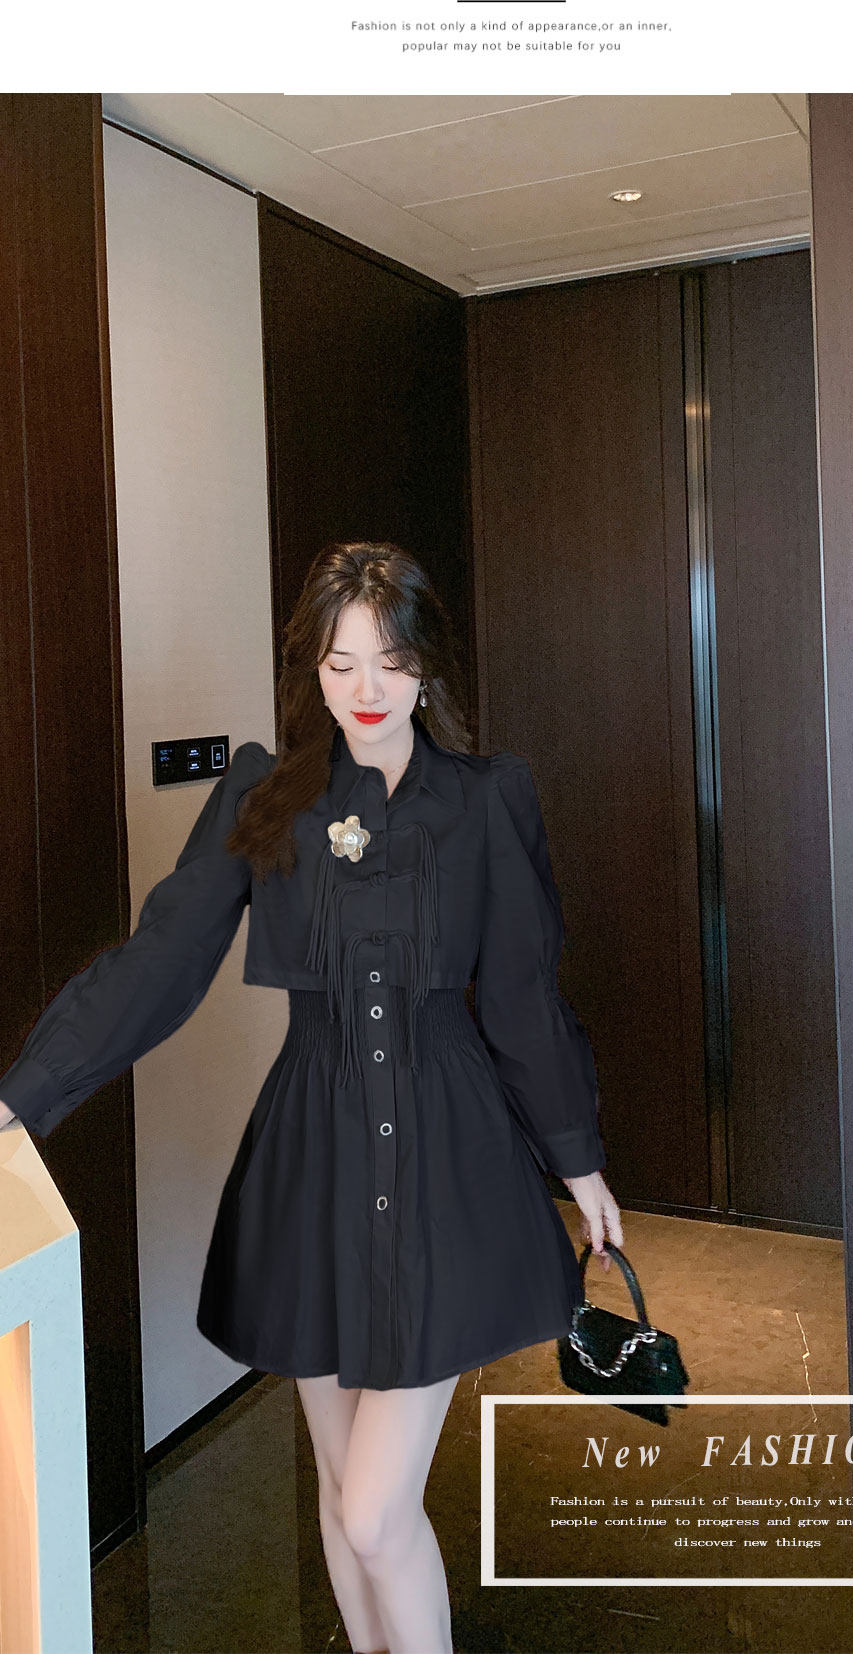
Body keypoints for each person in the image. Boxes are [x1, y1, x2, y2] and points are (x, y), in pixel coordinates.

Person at [0, 539, 624, 1654]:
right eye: (341, 665)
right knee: (340, 1493)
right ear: (312, 671)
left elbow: (523, 997)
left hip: (445, 1155)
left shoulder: (487, 797)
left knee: (378, 1509)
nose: (366, 690)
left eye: (389, 661)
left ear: (426, 665)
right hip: (316, 1157)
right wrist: (23, 1094)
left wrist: (578, 1161)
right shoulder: (265, 793)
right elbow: (161, 958)